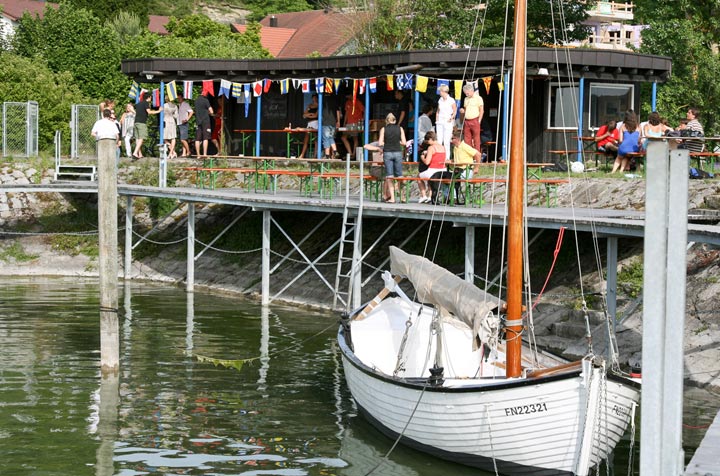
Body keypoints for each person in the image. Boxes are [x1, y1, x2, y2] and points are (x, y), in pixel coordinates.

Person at [378, 113, 406, 203]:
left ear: (387, 121)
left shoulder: (383, 129)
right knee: (399, 175)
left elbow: (380, 143)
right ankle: (402, 197)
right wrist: (397, 142)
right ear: (395, 120)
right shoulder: (400, 128)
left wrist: (388, 142)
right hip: (398, 152)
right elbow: (404, 143)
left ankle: (393, 198)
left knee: (390, 176)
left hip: (387, 153)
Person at [419, 131, 448, 203]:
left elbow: (427, 162)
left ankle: (424, 196)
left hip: (433, 170)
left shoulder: (431, 148)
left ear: (430, 139)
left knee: (418, 177)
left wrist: (422, 157)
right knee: (431, 179)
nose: (427, 143)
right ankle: (430, 196)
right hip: (443, 170)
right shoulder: (443, 147)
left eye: (427, 141)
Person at [132, 93, 160, 159]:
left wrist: (134, 112)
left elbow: (131, 107)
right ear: (149, 97)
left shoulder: (139, 103)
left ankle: (140, 154)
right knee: (142, 138)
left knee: (138, 138)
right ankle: (135, 153)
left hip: (136, 122)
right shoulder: (146, 103)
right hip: (142, 123)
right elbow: (149, 112)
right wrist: (159, 111)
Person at [459, 84, 483, 150]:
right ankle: (468, 156)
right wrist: (462, 111)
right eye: (465, 93)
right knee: (467, 139)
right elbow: (465, 109)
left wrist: (479, 120)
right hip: (467, 121)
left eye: (467, 93)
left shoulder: (478, 98)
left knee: (476, 139)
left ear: (472, 91)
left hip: (475, 120)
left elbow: (481, 110)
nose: (467, 95)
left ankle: (476, 156)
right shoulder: (465, 99)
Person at [436, 84, 456, 160]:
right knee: (439, 140)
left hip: (447, 121)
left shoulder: (451, 100)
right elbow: (438, 110)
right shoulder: (440, 100)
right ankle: (439, 156)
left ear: (444, 91)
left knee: (446, 140)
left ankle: (447, 157)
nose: (439, 92)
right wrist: (437, 118)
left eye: (440, 91)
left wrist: (452, 117)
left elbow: (454, 110)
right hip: (440, 121)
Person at [194, 88, 214, 158]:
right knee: (205, 138)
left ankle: (198, 155)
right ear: (203, 92)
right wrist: (209, 113)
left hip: (198, 121)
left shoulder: (196, 101)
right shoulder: (206, 100)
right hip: (205, 121)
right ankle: (204, 154)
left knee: (197, 139)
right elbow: (211, 111)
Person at [299, 94, 319, 158]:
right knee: (306, 139)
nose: (314, 99)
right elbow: (304, 115)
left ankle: (315, 156)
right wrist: (310, 114)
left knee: (316, 140)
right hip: (309, 123)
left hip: (315, 123)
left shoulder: (319, 105)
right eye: (313, 98)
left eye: (315, 98)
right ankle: (302, 155)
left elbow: (316, 115)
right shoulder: (309, 105)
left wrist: (309, 115)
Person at [321, 94, 341, 159]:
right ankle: (335, 151)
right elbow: (338, 112)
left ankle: (327, 156)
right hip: (333, 122)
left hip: (325, 122)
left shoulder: (322, 99)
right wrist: (338, 121)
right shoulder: (334, 100)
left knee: (326, 139)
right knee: (330, 137)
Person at [177, 92, 194, 157]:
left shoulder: (185, 104)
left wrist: (187, 119)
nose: (178, 99)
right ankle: (184, 153)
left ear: (182, 97)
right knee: (182, 139)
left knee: (183, 139)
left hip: (184, 123)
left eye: (179, 97)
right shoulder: (179, 105)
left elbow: (191, 112)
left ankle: (188, 151)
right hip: (179, 123)